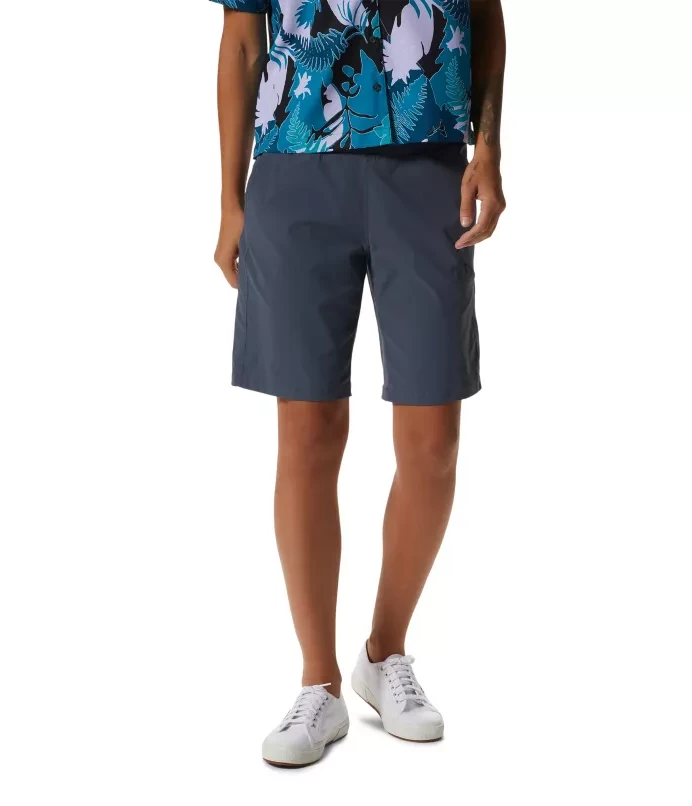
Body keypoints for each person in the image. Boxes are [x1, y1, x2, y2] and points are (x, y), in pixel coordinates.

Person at [212, 0, 506, 767]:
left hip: (430, 164)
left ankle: (384, 651)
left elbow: (485, 15)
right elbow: (241, 43)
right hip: (295, 164)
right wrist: (229, 199)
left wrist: (488, 149)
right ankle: (319, 681)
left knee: (433, 440)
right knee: (307, 434)